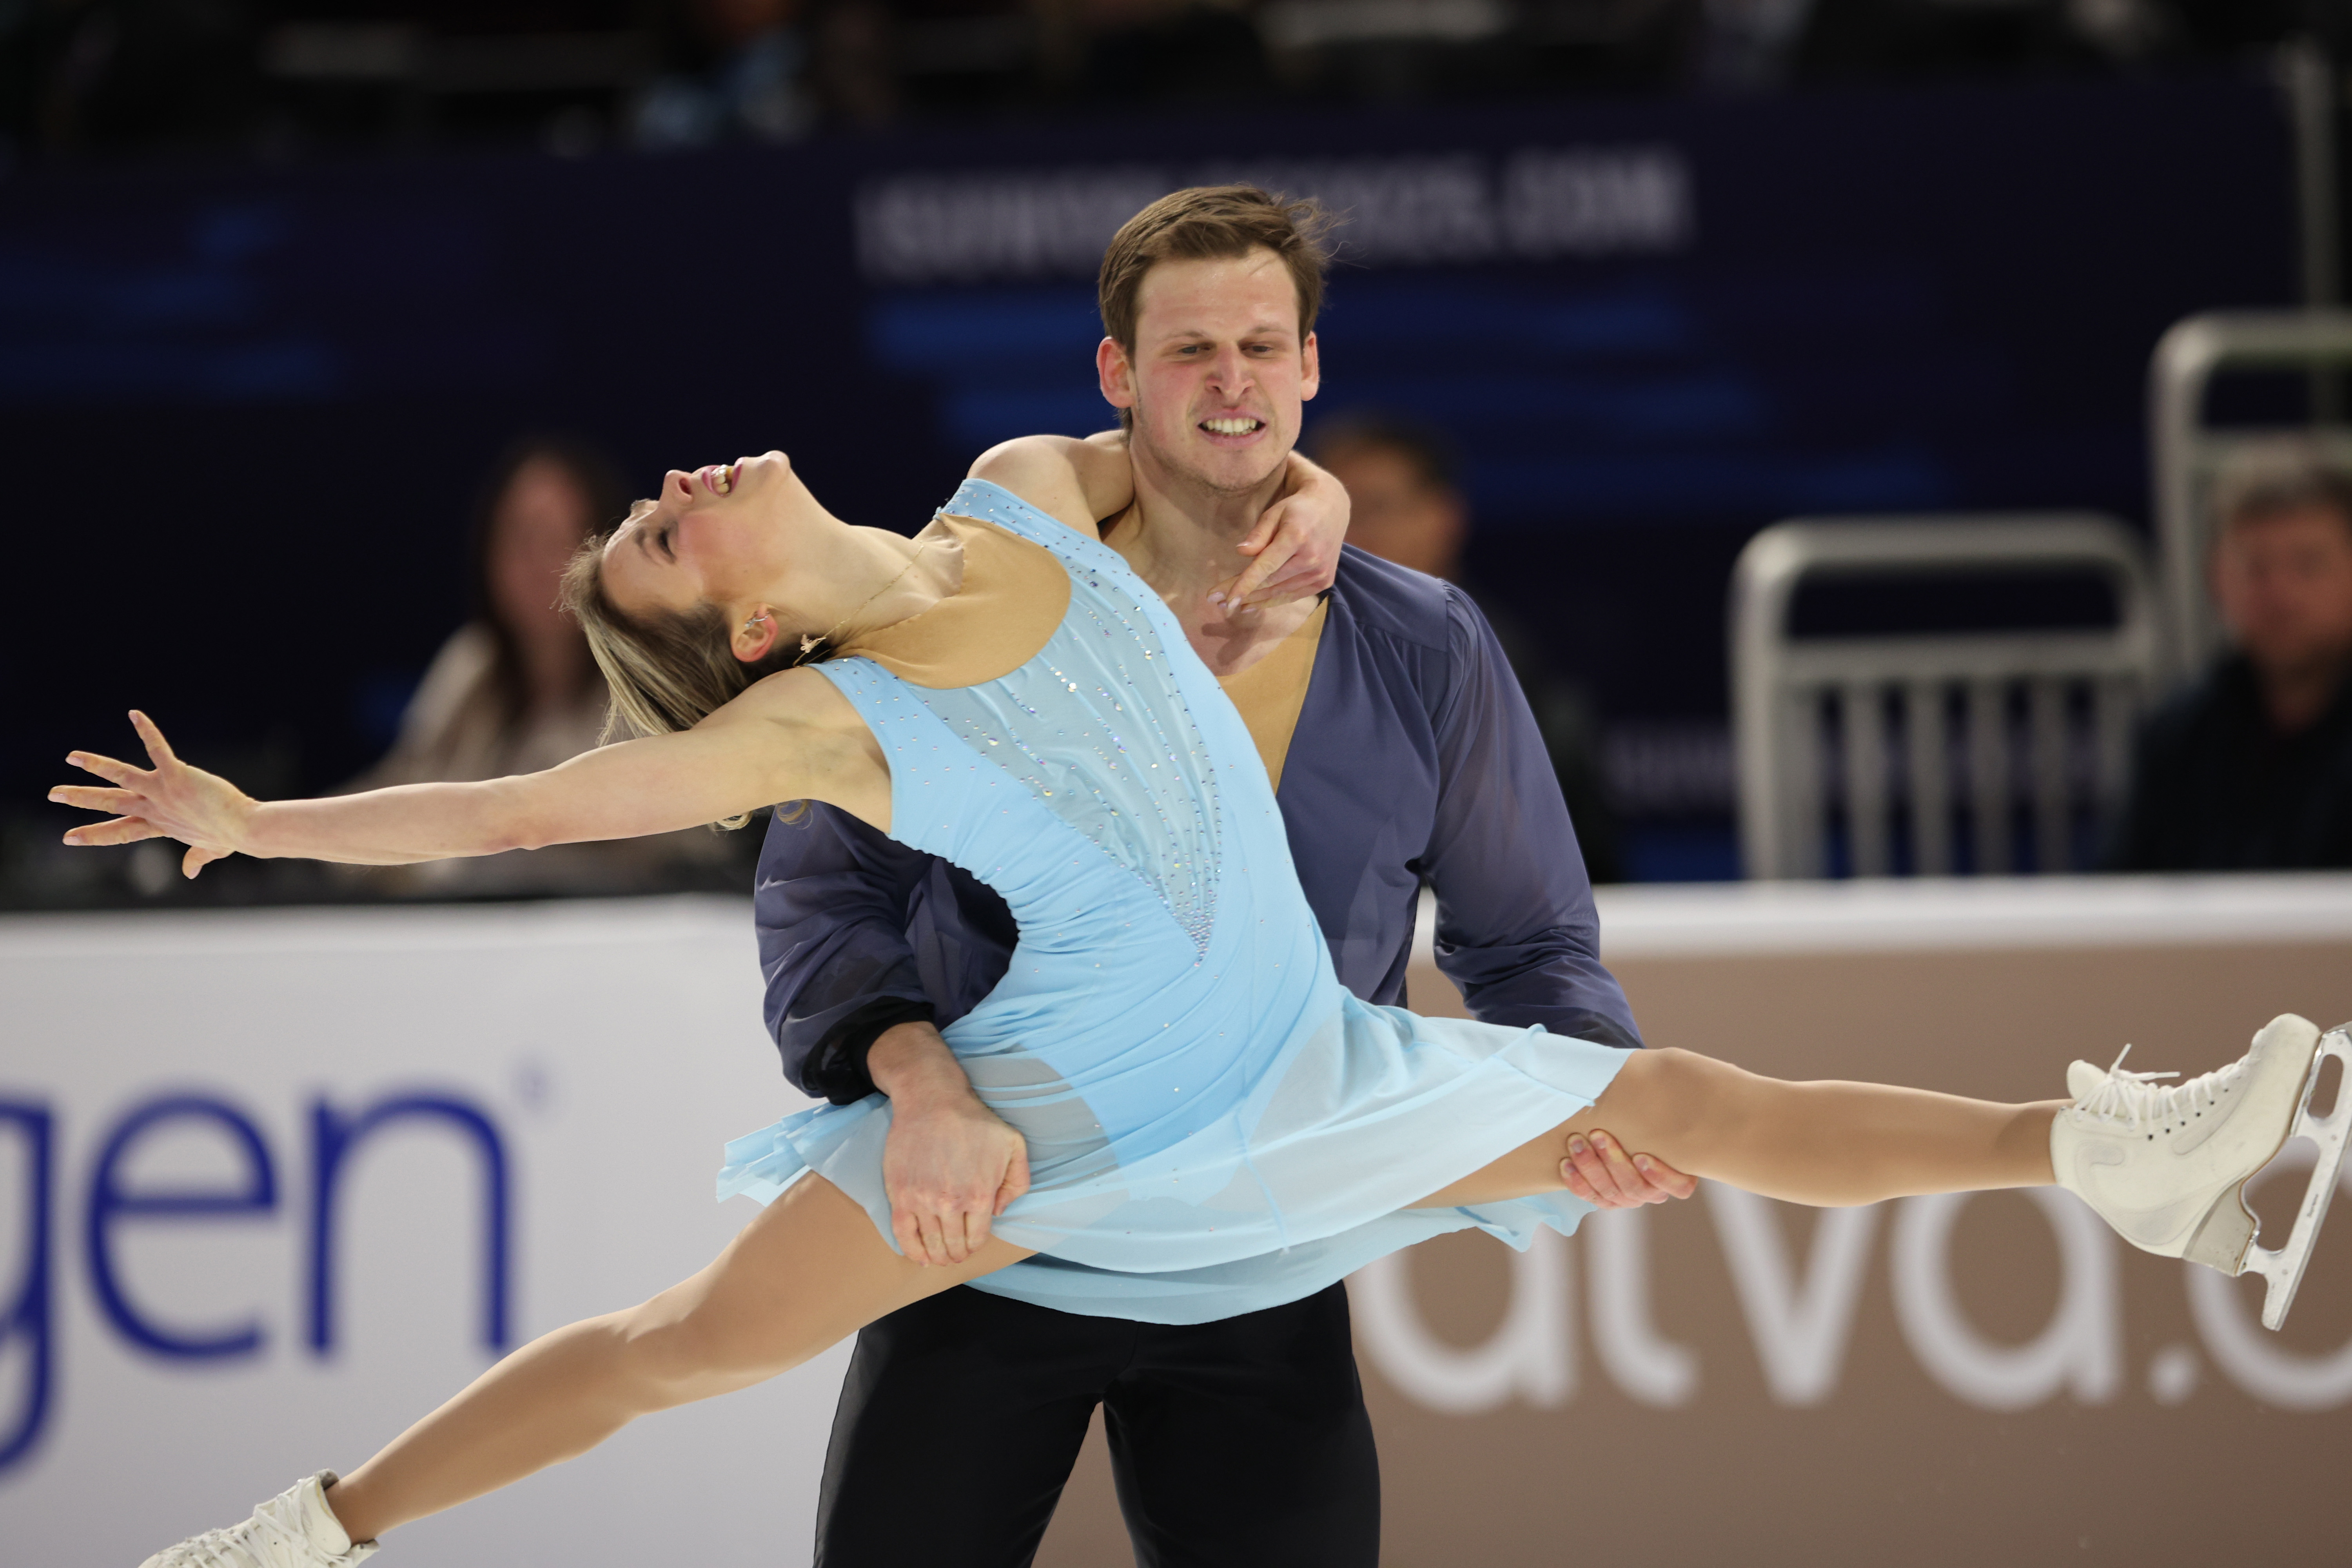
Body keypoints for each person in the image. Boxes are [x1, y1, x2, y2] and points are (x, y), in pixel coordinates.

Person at [59, 434, 2329, 1568]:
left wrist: (1313, 498)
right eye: (667, 542)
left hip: (1306, 1066)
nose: (672, 488)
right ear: (739, 639)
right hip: (1079, 1123)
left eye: (652, 505)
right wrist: (261, 825)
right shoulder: (815, 727)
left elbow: (1255, 491)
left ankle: (2099, 1155)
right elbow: (517, 812)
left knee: (1683, 1094)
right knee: (675, 1346)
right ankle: (315, 1532)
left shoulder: (1023, 486)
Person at [760, 189, 1682, 1568]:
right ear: (1117, 378)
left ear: (1312, 367)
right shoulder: (977, 612)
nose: (1232, 382)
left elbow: (1531, 937)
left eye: (1263, 346)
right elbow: (827, 896)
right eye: (1190, 352)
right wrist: (922, 1083)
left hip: (1260, 1253)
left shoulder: (1425, 647)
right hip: (991, 1226)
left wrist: (1587, 1089)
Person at [346, 435, 744, 896]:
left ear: (608, 551)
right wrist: (287, 832)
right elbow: (401, 783)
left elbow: (657, 851)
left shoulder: (651, 676)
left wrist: (454, 866)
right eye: (520, 537)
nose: (540, 563)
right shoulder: (473, 663)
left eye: (563, 539)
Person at [1309, 410, 1624, 883]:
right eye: (1330, 513)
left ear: (1443, 518)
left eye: (1373, 508)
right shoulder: (1290, 653)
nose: (1347, 536)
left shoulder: (1486, 660)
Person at [2107, 440, 2352, 870]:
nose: (2281, 595)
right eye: (2255, 568)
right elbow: (2121, 894)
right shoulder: (2182, 733)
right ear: (2216, 576)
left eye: (2308, 564)